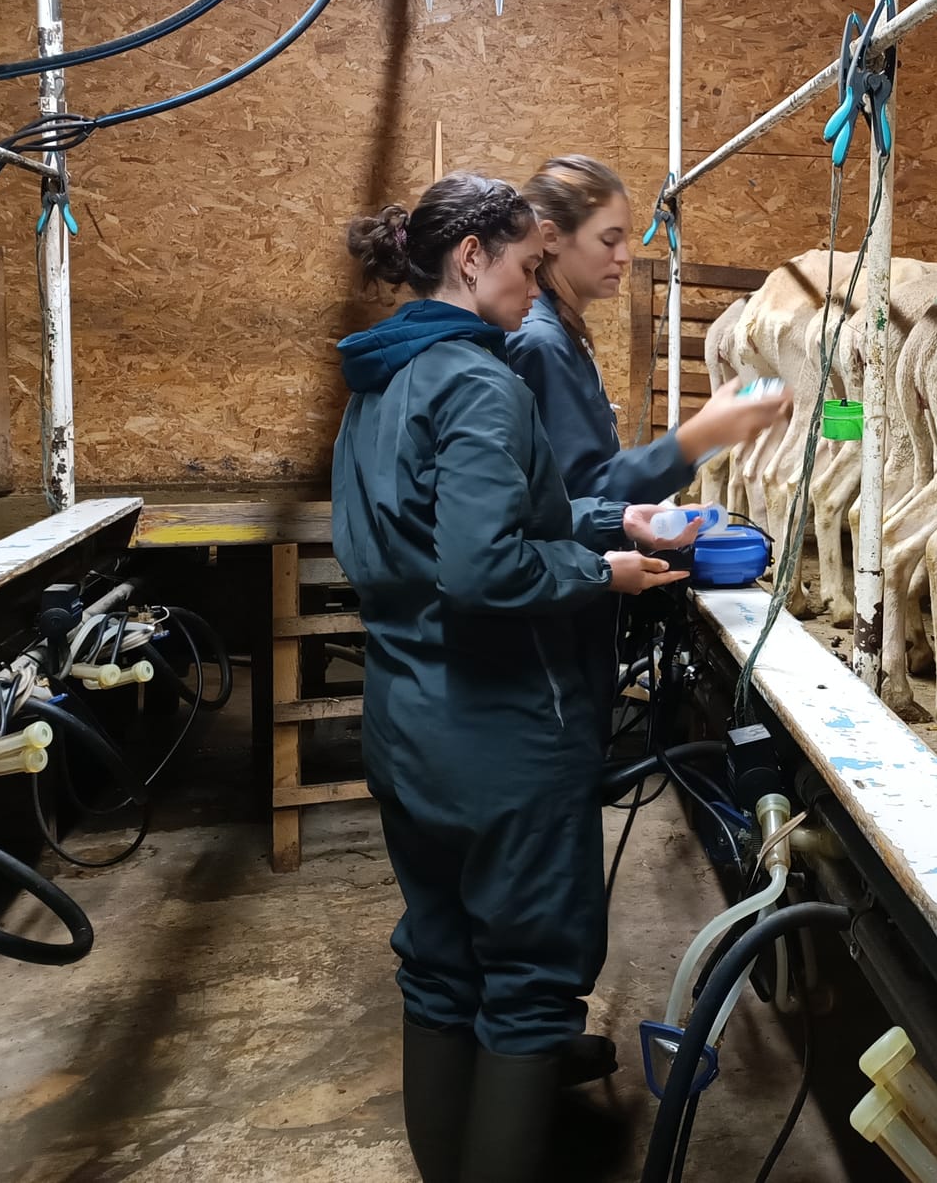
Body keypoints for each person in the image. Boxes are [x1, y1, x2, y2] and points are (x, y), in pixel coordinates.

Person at [331, 172, 686, 1183]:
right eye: (528, 266)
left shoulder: (381, 378)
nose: (537, 287)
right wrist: (600, 572)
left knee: (440, 964)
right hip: (500, 732)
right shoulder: (480, 382)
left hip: (404, 715)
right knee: (529, 981)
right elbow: (486, 567)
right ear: (470, 256)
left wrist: (606, 517)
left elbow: (439, 531)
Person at [508, 154, 786, 506]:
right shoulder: (541, 343)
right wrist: (697, 438)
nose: (624, 256)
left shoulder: (560, 331)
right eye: (609, 240)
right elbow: (578, 498)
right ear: (551, 237)